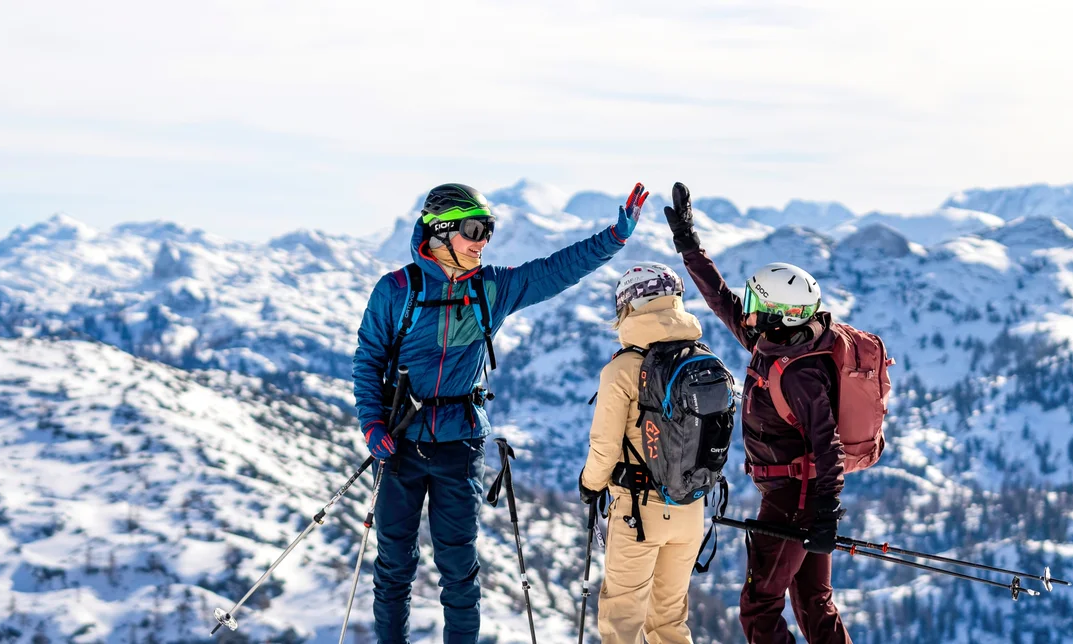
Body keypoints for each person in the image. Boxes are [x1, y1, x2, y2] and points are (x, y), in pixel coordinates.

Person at [353, 181, 649, 643]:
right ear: (441, 230)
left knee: (459, 570)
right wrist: (371, 422)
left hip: (459, 442)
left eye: (488, 230)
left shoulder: (491, 289)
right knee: (394, 565)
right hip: (402, 440)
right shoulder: (397, 290)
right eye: (475, 229)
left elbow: (556, 270)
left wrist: (615, 237)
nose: (483, 240)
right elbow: (368, 359)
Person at [662, 182, 853, 643]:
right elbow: (720, 299)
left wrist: (825, 513)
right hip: (800, 497)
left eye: (755, 307)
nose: (744, 313)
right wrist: (689, 246)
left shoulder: (797, 373)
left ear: (779, 315)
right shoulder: (773, 345)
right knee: (813, 603)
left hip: (794, 500)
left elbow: (828, 444)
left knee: (759, 609)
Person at [579, 262, 709, 644]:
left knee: (622, 620)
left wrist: (590, 485)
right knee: (669, 623)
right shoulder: (698, 358)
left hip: (639, 509)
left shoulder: (623, 368)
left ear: (630, 307)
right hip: (690, 508)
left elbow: (604, 445)